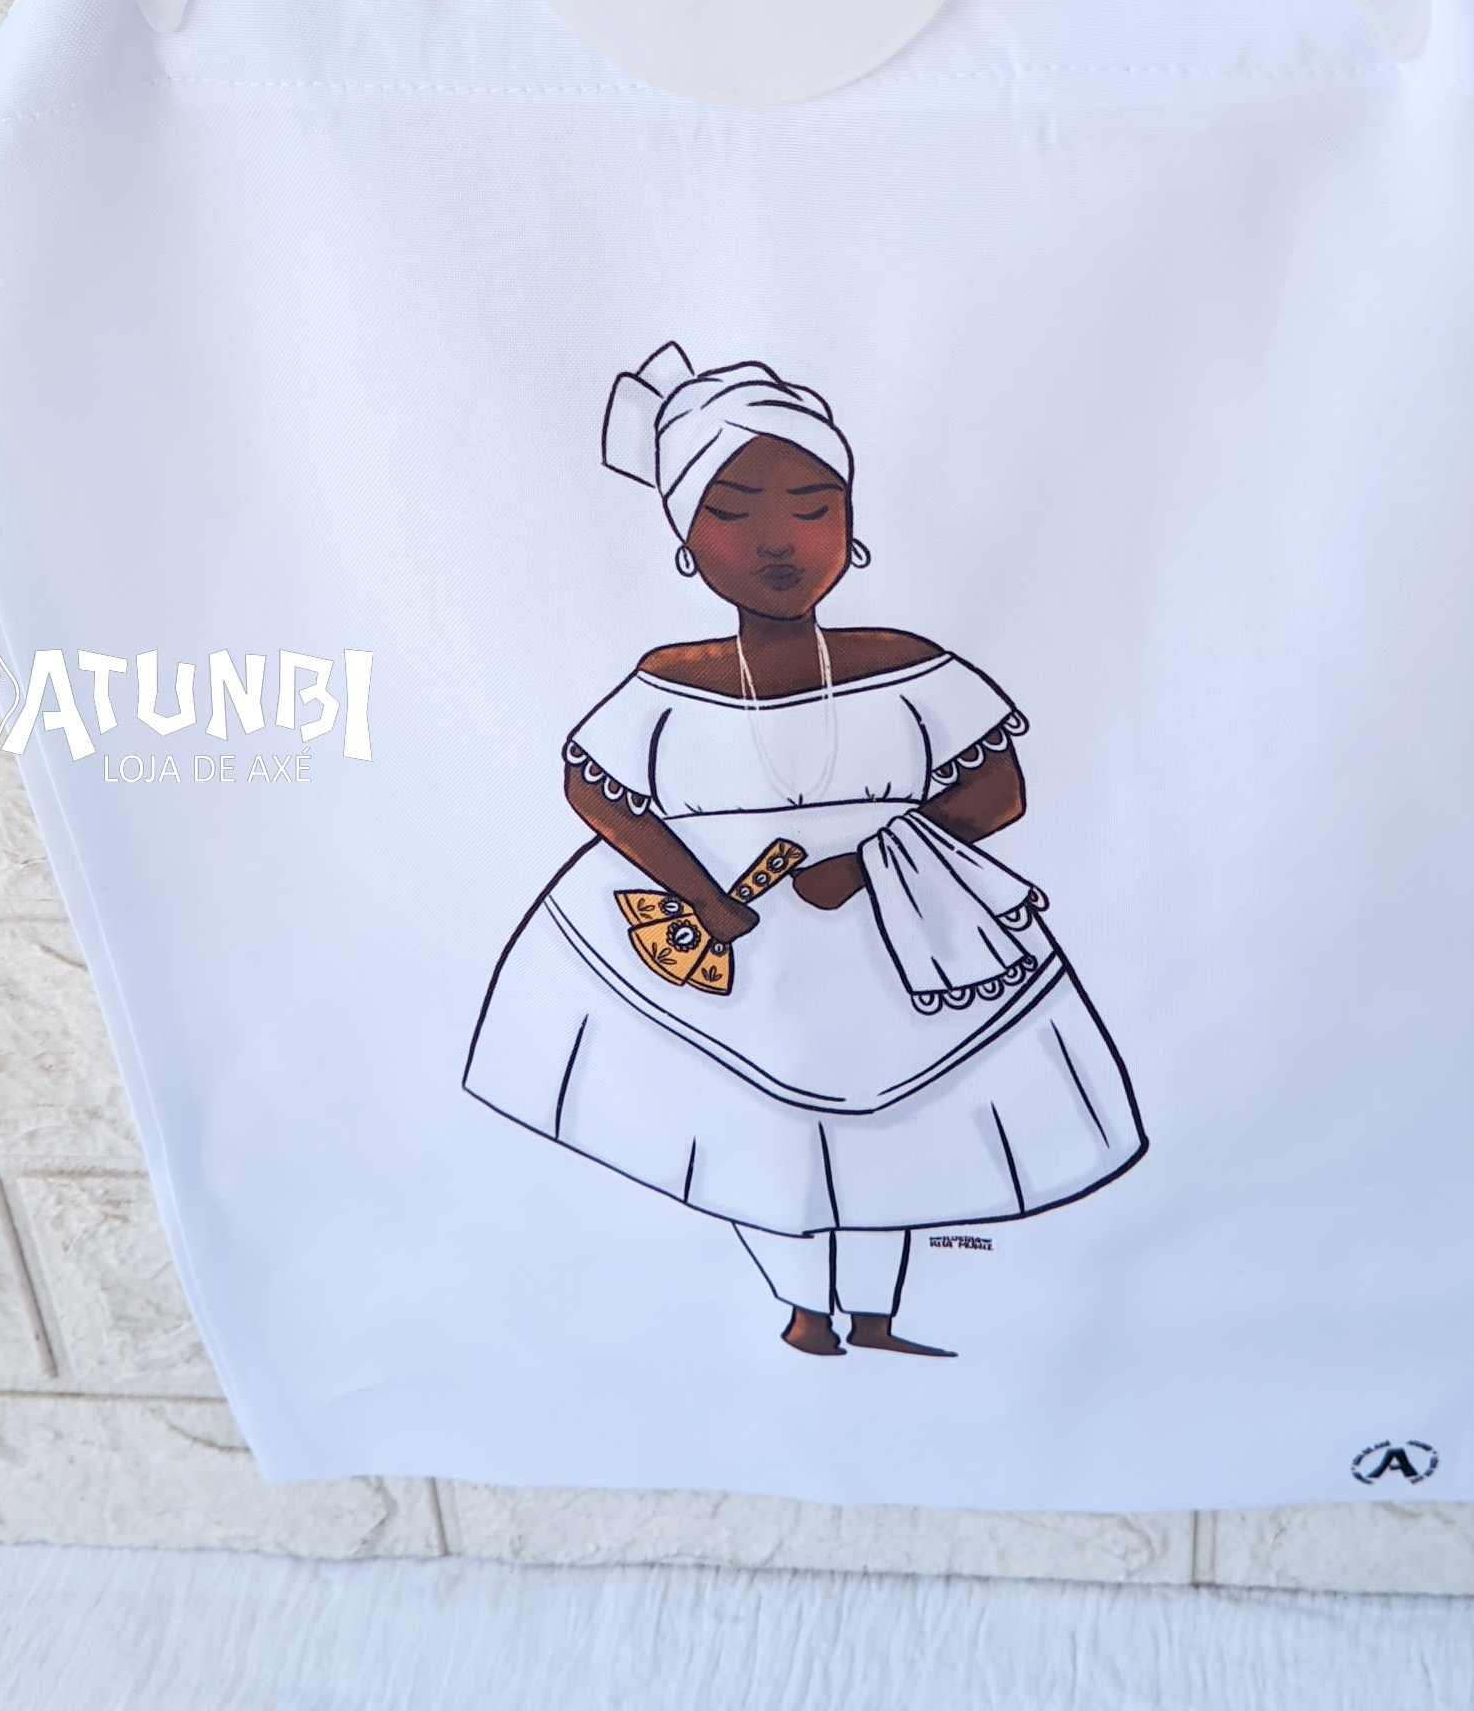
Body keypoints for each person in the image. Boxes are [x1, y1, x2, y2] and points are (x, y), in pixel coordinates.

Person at [464, 343, 1145, 1356]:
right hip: (724, 941)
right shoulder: (666, 683)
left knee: (904, 1126)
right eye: (734, 512)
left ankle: (871, 1312)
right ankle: (801, 1308)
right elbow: (593, 788)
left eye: (812, 507)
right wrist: (701, 893)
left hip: (906, 930)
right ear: (687, 539)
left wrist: (869, 863)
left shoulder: (911, 668)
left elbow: (996, 791)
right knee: (747, 1128)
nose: (778, 540)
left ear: (851, 526)